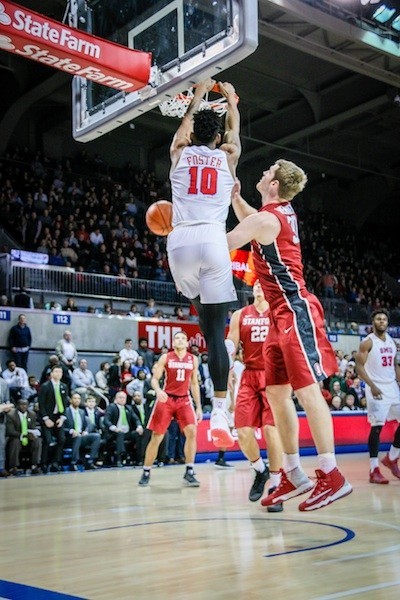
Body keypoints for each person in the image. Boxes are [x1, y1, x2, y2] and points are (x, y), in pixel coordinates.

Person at [227, 159, 352, 511]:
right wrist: (236, 199)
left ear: (275, 185)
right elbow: (253, 222)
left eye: (268, 171)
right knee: (277, 392)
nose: (262, 172)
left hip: (295, 310)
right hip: (280, 316)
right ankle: (293, 472)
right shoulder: (273, 213)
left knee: (307, 393)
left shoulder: (267, 218)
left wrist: (181, 236)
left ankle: (332, 474)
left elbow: (227, 243)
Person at [167, 77, 241, 449]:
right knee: (215, 334)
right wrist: (231, 101)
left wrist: (198, 94)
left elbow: (185, 125)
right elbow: (234, 131)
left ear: (193, 132)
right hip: (213, 238)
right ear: (217, 139)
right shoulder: (228, 157)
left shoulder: (180, 149)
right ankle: (218, 413)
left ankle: (216, 409)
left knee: (200, 312)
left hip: (180, 240)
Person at [225, 280, 283, 511]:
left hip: (274, 376)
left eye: (263, 283)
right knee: (243, 432)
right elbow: (232, 341)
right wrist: (226, 358)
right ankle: (260, 470)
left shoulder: (279, 312)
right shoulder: (241, 314)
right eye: (256, 283)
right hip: (249, 375)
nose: (259, 286)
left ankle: (277, 487)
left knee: (271, 430)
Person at [138, 331, 202, 487]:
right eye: (177, 338)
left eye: (183, 338)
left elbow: (194, 383)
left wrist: (198, 406)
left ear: (187, 343)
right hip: (167, 398)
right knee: (157, 436)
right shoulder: (166, 357)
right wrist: (158, 391)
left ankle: (190, 471)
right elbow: (154, 379)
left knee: (192, 432)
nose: (180, 340)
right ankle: (146, 470)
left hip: (184, 399)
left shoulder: (193, 359)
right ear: (173, 343)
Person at [355, 309, 400, 484]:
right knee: (377, 427)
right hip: (376, 388)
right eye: (378, 319)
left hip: (392, 388)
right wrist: (371, 386)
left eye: (384, 319)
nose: (382, 321)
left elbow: (395, 366)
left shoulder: (392, 342)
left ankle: (392, 458)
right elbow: (359, 367)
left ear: (388, 322)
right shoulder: (367, 343)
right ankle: (374, 469)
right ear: (373, 322)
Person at [38, 365, 69, 472]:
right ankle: (43, 463)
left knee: (62, 439)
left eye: (60, 372)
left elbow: (65, 404)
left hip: (58, 417)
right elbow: (41, 404)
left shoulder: (64, 386)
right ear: (51, 373)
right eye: (56, 371)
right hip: (47, 416)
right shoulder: (45, 386)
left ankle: (56, 462)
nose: (58, 374)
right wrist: (46, 419)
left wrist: (62, 417)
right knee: (47, 440)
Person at [103, 391, 143, 467]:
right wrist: (114, 428)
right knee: (120, 433)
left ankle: (139, 458)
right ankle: (119, 458)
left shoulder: (128, 408)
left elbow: (136, 419)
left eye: (124, 398)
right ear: (116, 398)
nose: (122, 399)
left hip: (127, 432)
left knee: (138, 434)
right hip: (114, 433)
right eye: (120, 397)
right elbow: (106, 420)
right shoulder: (112, 407)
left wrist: (139, 427)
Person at [64, 392, 101, 470]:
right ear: (71, 400)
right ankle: (74, 463)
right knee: (77, 436)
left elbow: (90, 424)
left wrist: (86, 431)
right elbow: (61, 427)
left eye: (79, 399)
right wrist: (71, 431)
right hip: (69, 437)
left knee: (96, 436)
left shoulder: (82, 412)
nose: (77, 400)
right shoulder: (65, 411)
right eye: (75, 398)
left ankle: (90, 461)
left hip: (81, 435)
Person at [6, 397, 42, 475]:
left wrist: (32, 434)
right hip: (16, 437)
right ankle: (13, 467)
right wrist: (23, 435)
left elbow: (32, 428)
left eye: (25, 404)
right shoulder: (11, 415)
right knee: (15, 442)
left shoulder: (32, 414)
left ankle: (34, 465)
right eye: (22, 404)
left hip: (28, 439)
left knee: (37, 440)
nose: (24, 406)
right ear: (17, 405)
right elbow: (10, 431)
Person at [0, 373, 13, 477]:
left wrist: (7, 407)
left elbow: (7, 400)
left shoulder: (3, 383)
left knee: (1, 443)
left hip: (1, 418)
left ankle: (1, 467)